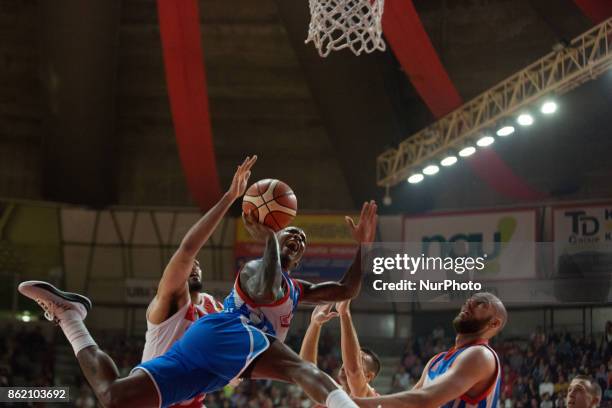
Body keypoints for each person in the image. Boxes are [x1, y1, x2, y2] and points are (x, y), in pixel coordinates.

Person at [19, 193, 378, 408]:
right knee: (304, 371)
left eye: (301, 240)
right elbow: (263, 280)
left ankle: (71, 317)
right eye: (290, 233)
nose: (296, 239)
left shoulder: (296, 288)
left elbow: (347, 290)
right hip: (227, 335)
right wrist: (267, 233)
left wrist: (364, 247)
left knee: (114, 398)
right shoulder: (251, 270)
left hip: (215, 369)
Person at [140, 156, 256, 406]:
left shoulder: (214, 308)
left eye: (198, 265)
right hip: (154, 397)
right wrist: (229, 197)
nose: (194, 267)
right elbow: (187, 250)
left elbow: (233, 365)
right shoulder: (169, 301)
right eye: (189, 265)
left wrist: (237, 371)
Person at [356, 292, 507, 408]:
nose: (470, 302)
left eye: (481, 303)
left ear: (494, 323)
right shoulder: (436, 360)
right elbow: (408, 404)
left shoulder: (481, 355)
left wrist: (355, 402)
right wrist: (345, 315)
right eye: (471, 299)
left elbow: (425, 399)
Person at [299, 300, 381, 403]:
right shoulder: (335, 393)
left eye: (359, 359)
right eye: (347, 357)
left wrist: (344, 313)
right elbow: (306, 371)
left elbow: (353, 371)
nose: (346, 362)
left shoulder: (370, 397)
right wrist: (315, 324)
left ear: (368, 376)